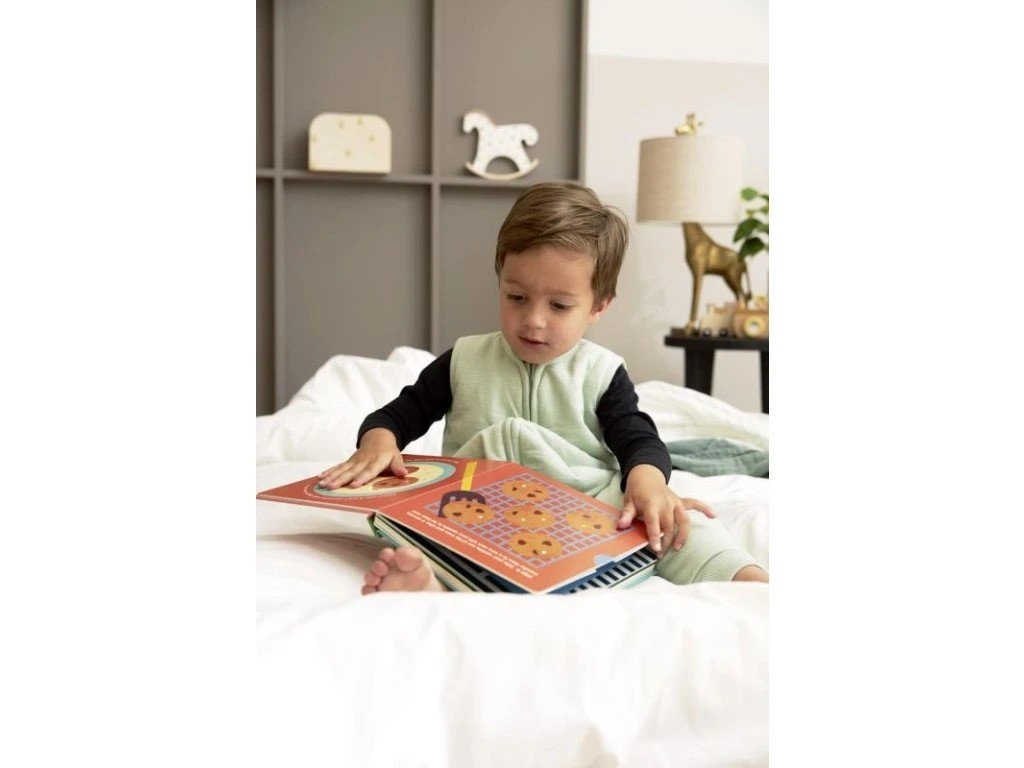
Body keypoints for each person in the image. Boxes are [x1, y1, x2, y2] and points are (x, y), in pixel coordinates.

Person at [317, 182, 768, 594]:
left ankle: (742, 578)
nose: (533, 320)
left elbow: (639, 438)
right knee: (416, 520)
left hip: (584, 507)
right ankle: (427, 583)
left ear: (599, 306)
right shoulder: (464, 360)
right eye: (516, 297)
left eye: (559, 305)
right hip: (477, 506)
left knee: (672, 519)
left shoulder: (601, 371)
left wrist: (647, 481)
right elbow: (397, 415)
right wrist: (379, 442)